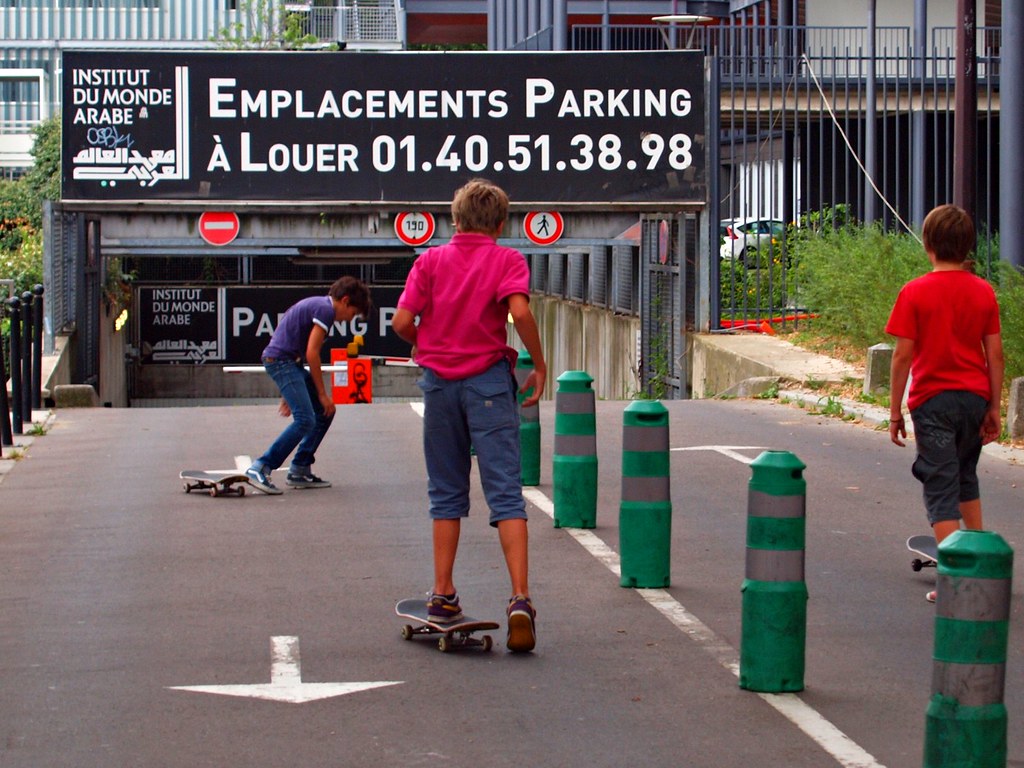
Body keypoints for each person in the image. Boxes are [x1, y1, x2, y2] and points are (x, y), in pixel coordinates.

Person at [392, 178, 547, 652]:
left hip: (440, 387)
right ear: (501, 224)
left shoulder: (430, 261)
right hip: (487, 384)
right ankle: (520, 599)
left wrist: (428, 345)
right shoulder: (506, 259)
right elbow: (518, 312)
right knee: (505, 493)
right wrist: (538, 364)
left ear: (454, 219)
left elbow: (400, 322)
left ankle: (442, 594)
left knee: (445, 493)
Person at [886, 204, 1004, 602]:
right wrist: (994, 406)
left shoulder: (914, 292)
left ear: (927, 245)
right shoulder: (983, 290)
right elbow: (996, 354)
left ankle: (956, 579)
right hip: (974, 398)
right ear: (968, 245)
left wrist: (894, 411)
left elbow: (902, 356)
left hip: (933, 402)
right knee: (965, 476)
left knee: (939, 485)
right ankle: (980, 560)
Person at [246, 276, 372, 494]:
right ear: (344, 300)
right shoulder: (325, 310)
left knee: (324, 413)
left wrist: (291, 393)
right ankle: (261, 466)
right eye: (352, 314)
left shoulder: (318, 305)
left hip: (288, 362)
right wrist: (322, 394)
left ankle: (300, 468)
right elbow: (312, 353)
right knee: (306, 419)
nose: (347, 320)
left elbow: (297, 346)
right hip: (282, 362)